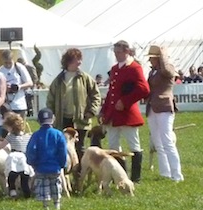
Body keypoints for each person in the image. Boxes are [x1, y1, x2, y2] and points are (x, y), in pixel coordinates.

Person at [99, 40, 150, 183]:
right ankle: (120, 176)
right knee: (113, 146)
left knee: (134, 145)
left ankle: (135, 178)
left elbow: (144, 88)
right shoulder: (115, 68)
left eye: (119, 52)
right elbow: (111, 93)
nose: (116, 55)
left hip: (127, 113)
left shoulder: (134, 67)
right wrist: (103, 110)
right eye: (115, 52)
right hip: (113, 114)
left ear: (127, 51)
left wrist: (126, 101)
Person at [46, 48, 101, 167]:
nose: (80, 62)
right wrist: (51, 116)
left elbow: (96, 95)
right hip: (62, 120)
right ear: (69, 61)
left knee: (79, 147)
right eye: (78, 59)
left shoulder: (85, 78)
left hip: (80, 120)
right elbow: (50, 99)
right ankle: (64, 174)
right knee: (62, 148)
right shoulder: (58, 80)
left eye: (80, 59)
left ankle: (79, 174)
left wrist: (91, 111)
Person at [146, 45, 183, 182]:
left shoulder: (168, 68)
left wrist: (164, 55)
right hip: (152, 107)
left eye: (152, 57)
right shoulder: (152, 72)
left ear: (158, 58)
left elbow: (168, 71)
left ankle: (177, 175)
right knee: (157, 142)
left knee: (167, 141)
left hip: (164, 107)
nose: (149, 60)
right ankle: (165, 172)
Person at [26, 108, 67, 210]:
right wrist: (62, 164)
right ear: (53, 119)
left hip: (41, 168)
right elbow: (63, 151)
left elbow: (31, 149)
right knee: (55, 185)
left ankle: (46, 207)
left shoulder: (36, 135)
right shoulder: (58, 134)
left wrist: (32, 162)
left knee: (44, 187)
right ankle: (57, 205)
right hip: (55, 167)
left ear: (38, 121)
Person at [0, 113, 33, 198]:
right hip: (24, 158)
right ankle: (27, 194)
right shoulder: (28, 136)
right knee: (24, 178)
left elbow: (1, 146)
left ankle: (12, 192)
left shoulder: (10, 136)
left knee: (11, 177)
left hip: (14, 158)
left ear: (11, 127)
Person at [0, 49, 33, 120]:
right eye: (5, 63)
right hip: (6, 106)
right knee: (7, 129)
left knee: (19, 128)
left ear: (13, 59)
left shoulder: (19, 68)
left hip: (19, 105)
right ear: (2, 60)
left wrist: (18, 87)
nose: (8, 65)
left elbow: (30, 83)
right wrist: (4, 89)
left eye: (10, 62)